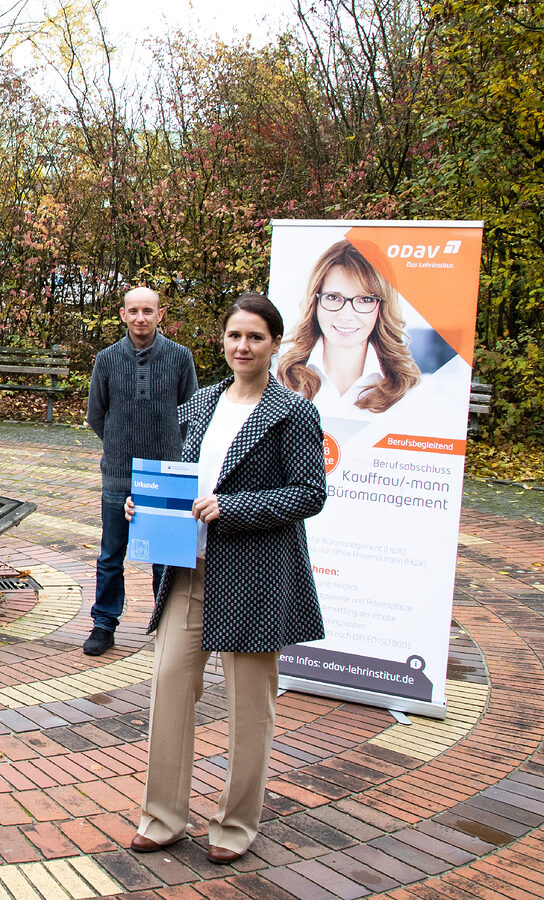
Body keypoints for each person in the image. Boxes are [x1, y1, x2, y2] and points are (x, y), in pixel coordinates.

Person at [128, 293, 326, 865]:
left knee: (248, 708)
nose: (243, 347)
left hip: (255, 575)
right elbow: (183, 482)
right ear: (223, 340)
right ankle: (163, 817)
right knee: (168, 688)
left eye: (255, 338)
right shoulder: (200, 403)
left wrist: (233, 508)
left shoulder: (293, 411)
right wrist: (148, 508)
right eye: (235, 336)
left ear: (274, 344)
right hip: (188, 568)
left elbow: (310, 493)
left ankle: (236, 824)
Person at [84, 286, 197, 656]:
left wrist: (168, 454)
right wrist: (120, 445)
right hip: (119, 471)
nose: (141, 318)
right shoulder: (107, 358)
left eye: (148, 311)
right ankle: (103, 624)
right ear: (122, 314)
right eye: (133, 311)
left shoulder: (181, 357)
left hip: (166, 474)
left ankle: (166, 625)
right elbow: (96, 415)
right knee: (111, 553)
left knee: (165, 556)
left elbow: (190, 412)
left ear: (160, 315)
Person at [277, 239, 420, 417]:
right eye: (333, 297)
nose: (346, 315)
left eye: (365, 299)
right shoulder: (278, 372)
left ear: (382, 307)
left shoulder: (409, 389)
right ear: (315, 301)